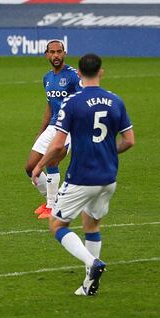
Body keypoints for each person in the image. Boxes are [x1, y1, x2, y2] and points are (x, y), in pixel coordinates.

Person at [32, 53, 134, 296]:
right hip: (108, 177)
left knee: (57, 224)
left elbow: (57, 146)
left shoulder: (73, 103)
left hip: (81, 176)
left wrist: (39, 166)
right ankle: (89, 284)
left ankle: (92, 263)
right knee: (91, 224)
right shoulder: (116, 101)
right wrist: (108, 152)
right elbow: (129, 140)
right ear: (101, 72)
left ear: (79, 73)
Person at [25, 40, 81, 219]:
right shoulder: (47, 78)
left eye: (59, 52)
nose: (56, 55)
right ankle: (54, 200)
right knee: (30, 167)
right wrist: (41, 130)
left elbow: (84, 98)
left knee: (52, 163)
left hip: (68, 128)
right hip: (52, 127)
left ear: (64, 53)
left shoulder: (73, 76)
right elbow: (50, 106)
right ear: (47, 55)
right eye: (52, 52)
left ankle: (51, 207)